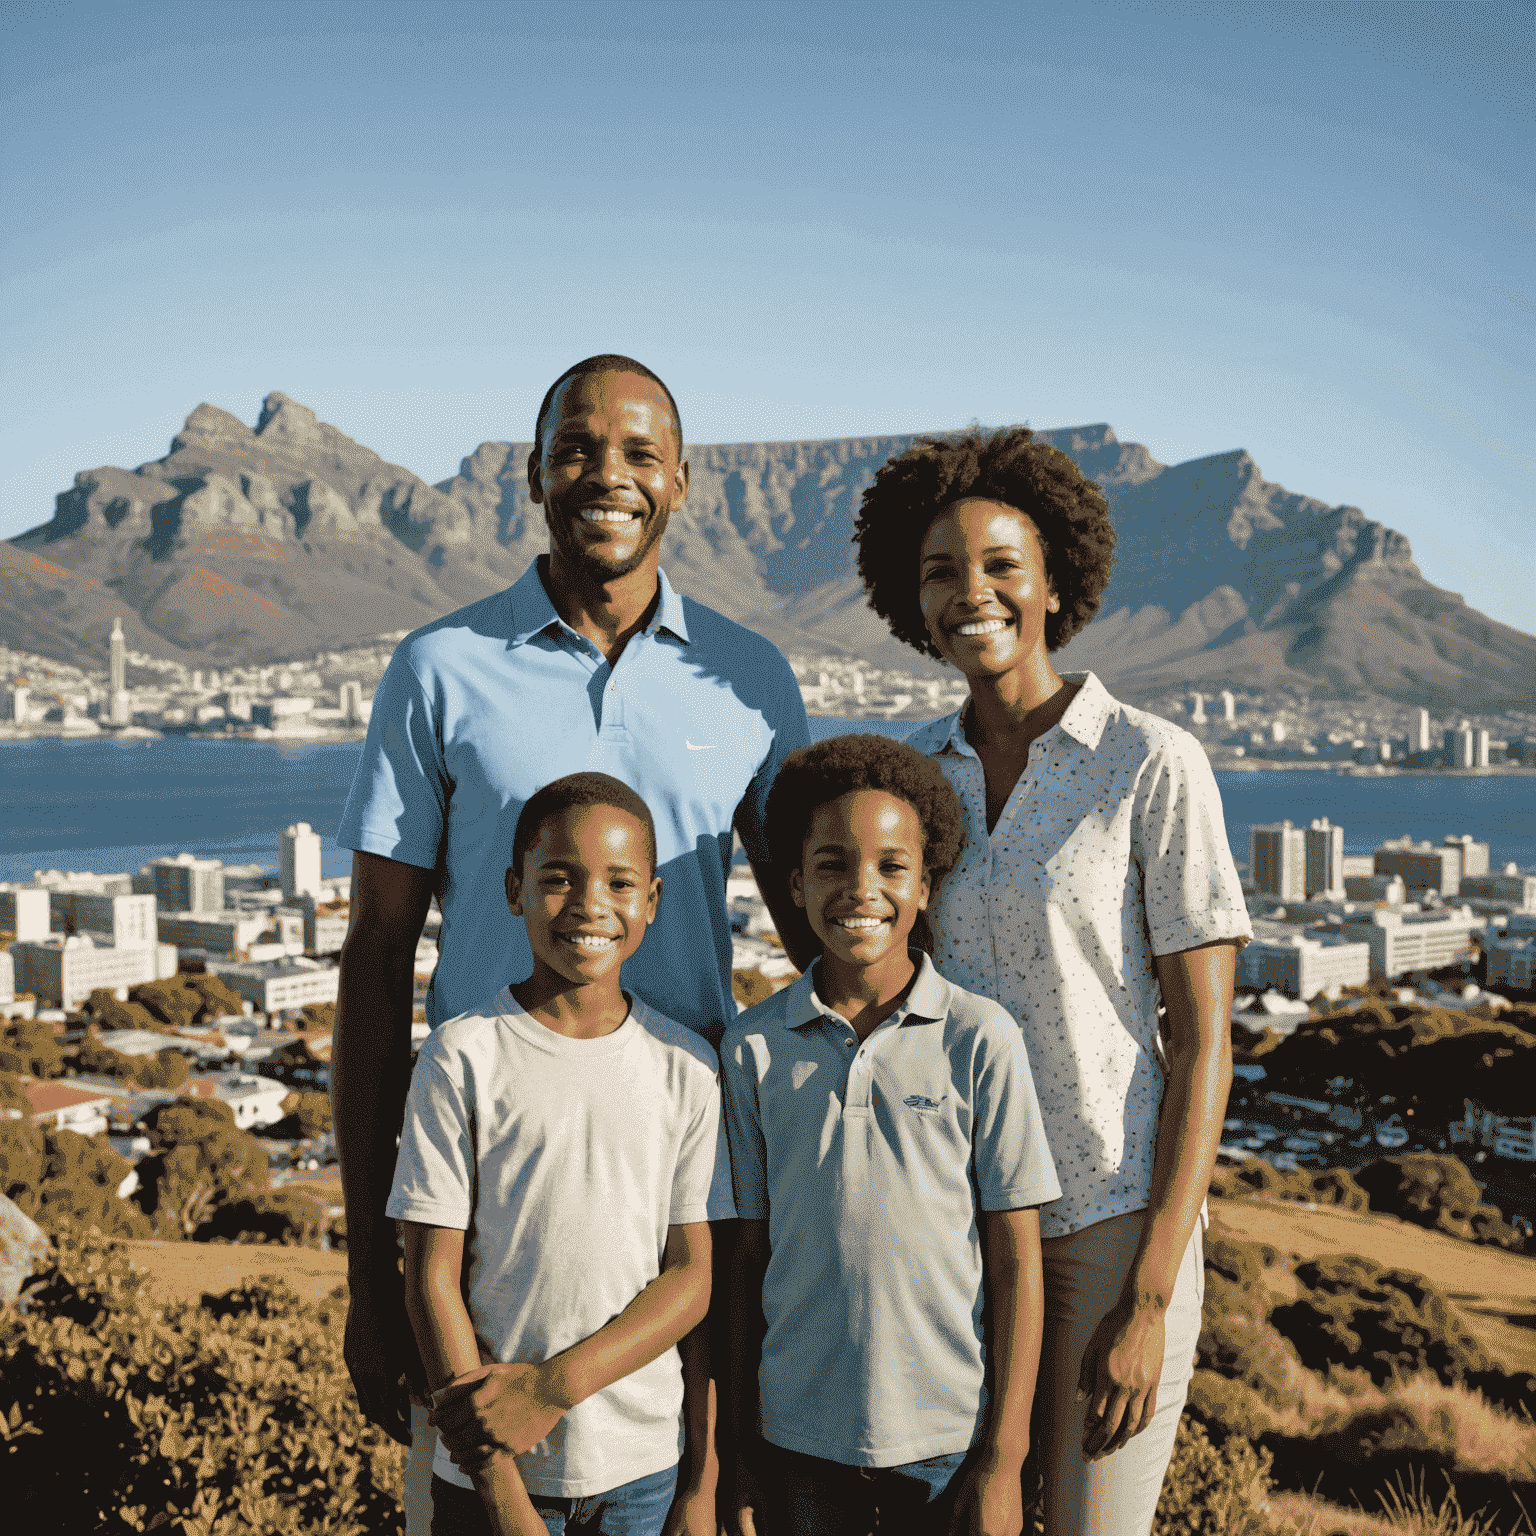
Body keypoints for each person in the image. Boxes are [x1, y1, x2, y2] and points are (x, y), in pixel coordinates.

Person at [333, 355, 812, 1532]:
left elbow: (826, 936)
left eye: (640, 453)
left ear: (684, 482)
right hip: (490, 1199)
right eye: (579, 449)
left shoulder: (749, 678)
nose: (609, 476)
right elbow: (376, 954)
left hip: (687, 1195)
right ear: (536, 473)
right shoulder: (437, 668)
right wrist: (368, 1266)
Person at [852, 428, 1252, 1536]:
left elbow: (1205, 1043)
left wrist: (1153, 1297)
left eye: (997, 566)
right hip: (952, 1233)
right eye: (940, 572)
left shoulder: (1148, 760)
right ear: (908, 600)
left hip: (1108, 1228)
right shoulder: (909, 775)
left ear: (1054, 581)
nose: (969, 593)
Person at [722, 735, 1062, 1536]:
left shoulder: (981, 1040)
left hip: (950, 1447)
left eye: (890, 866)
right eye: (833, 864)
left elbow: (1015, 1259)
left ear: (925, 884)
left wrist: (1005, 1457)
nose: (860, 889)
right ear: (795, 883)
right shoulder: (755, 1047)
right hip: (797, 1445)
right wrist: (738, 1451)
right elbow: (742, 1261)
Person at [391, 774, 732, 1536]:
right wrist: (504, 1497)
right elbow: (431, 1275)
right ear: (514, 891)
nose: (588, 905)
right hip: (489, 1480)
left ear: (654, 899)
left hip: (640, 1469)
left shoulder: (686, 1068)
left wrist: (551, 1388)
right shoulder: (462, 1055)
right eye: (557, 879)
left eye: (618, 882)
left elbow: (692, 1276)